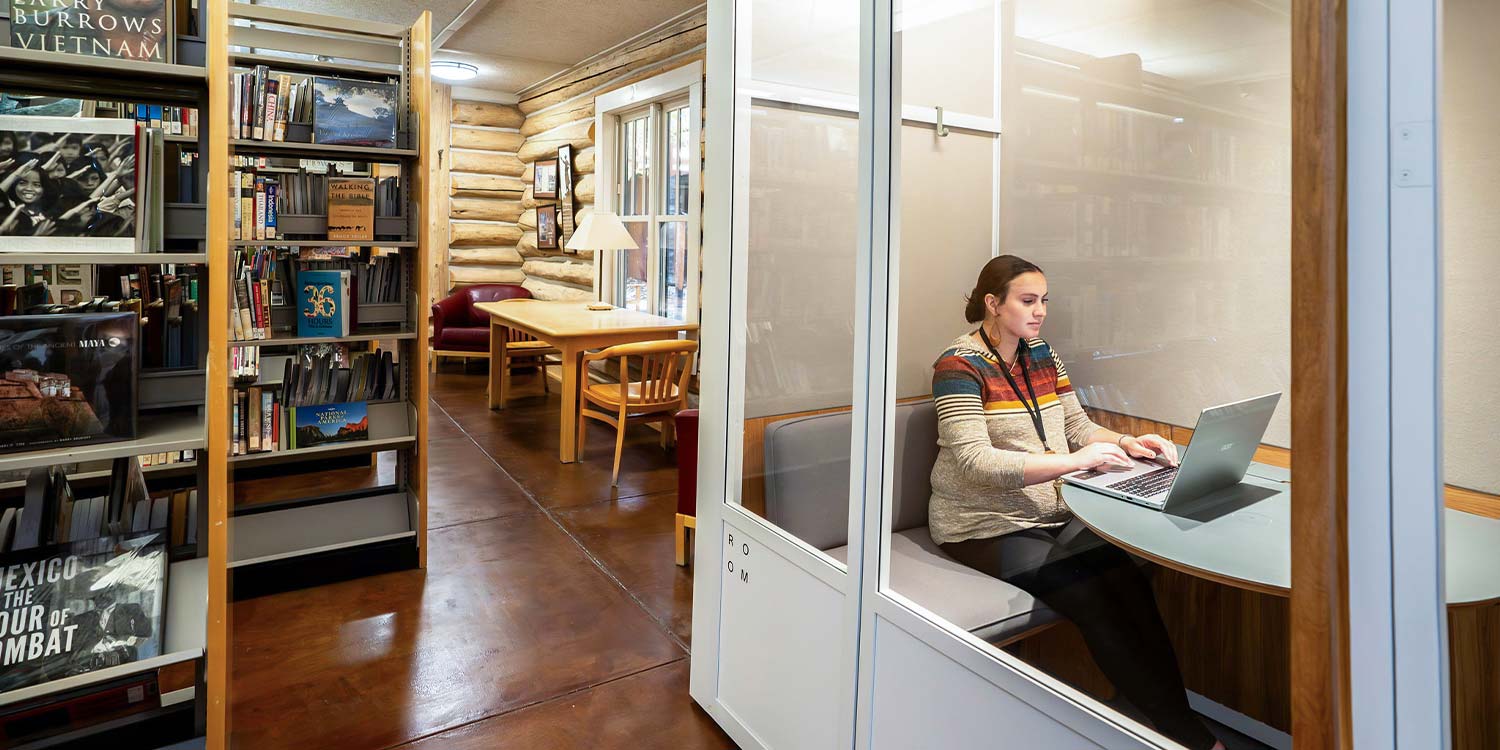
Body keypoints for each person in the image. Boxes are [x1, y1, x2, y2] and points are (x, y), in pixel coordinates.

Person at [929, 254, 1224, 750]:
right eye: (1028, 301)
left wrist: (1127, 442)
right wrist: (1075, 462)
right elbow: (975, 461)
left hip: (1052, 511)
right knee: (1090, 596)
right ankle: (1189, 737)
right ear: (993, 303)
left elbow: (1076, 427)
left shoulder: (1040, 353)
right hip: (983, 523)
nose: (1040, 311)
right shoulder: (957, 366)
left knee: (1129, 579)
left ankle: (1161, 717)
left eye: (1044, 300)